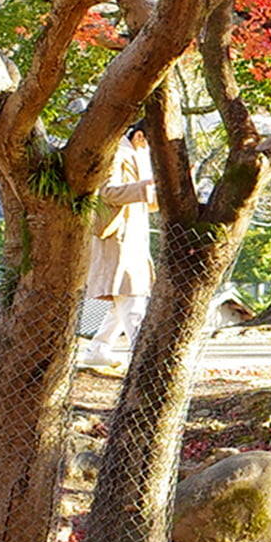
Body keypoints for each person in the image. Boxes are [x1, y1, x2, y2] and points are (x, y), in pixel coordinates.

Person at [81, 124, 157, 366]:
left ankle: (99, 349)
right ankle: (142, 358)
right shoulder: (116, 153)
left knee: (124, 298)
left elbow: (146, 201)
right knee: (132, 298)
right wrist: (150, 187)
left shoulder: (137, 153)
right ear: (140, 135)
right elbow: (109, 192)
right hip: (119, 236)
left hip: (135, 233)